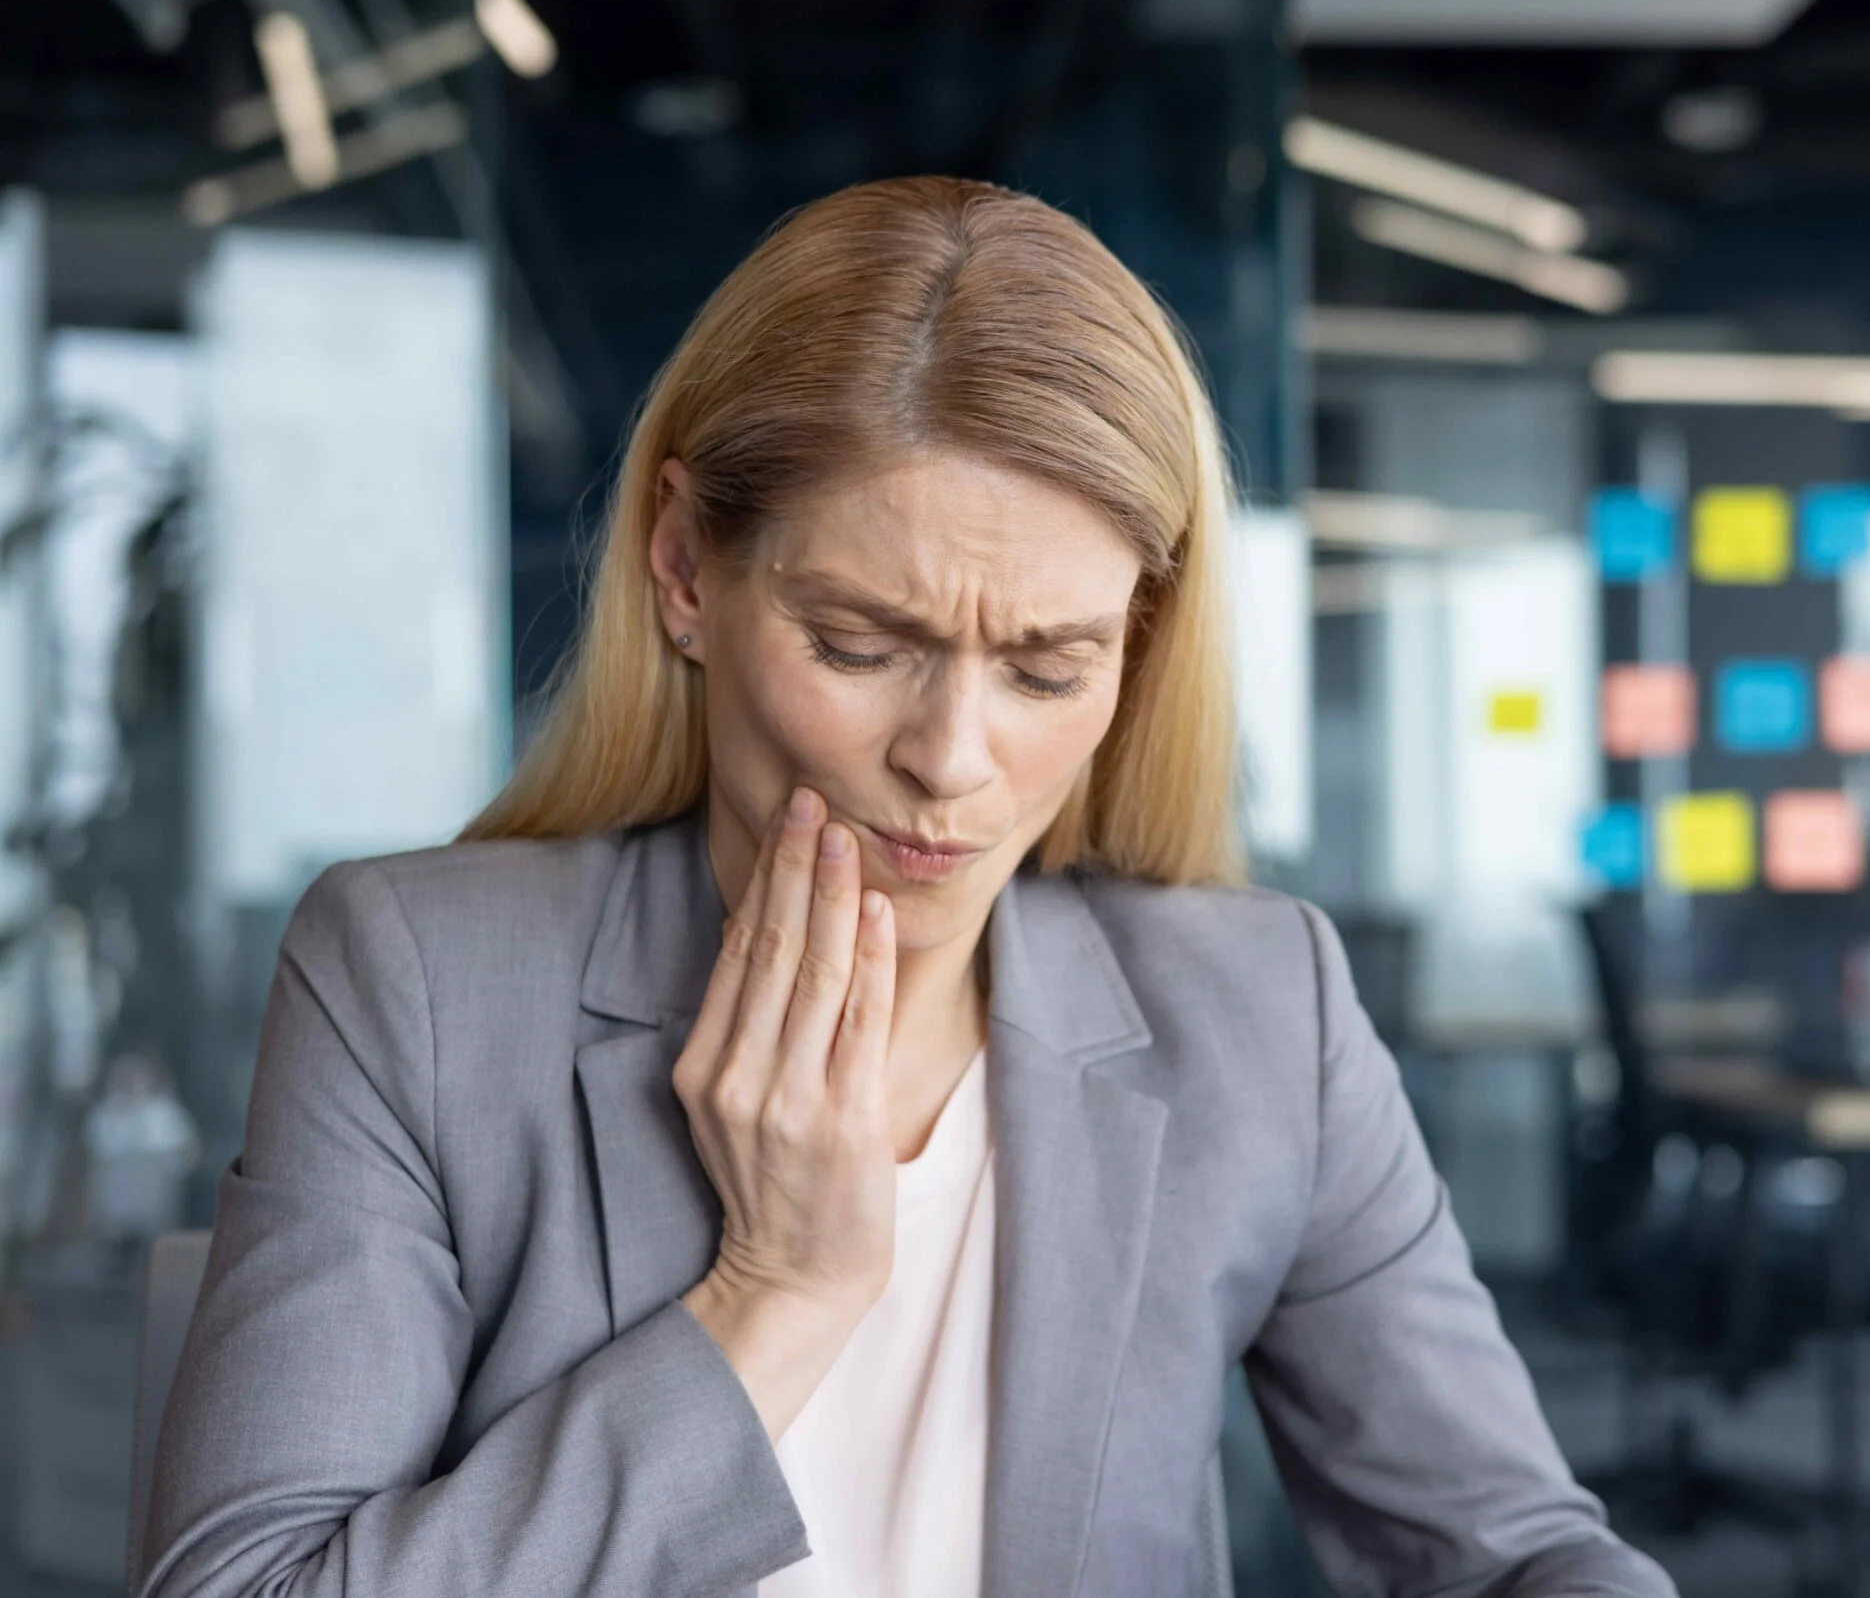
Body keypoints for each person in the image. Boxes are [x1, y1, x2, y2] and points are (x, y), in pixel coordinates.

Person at [136, 176, 1674, 1598]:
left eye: (1049, 667)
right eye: (861, 648)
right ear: (684, 568)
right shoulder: (415, 982)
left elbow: (1517, 1549)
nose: (953, 759)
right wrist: (772, 1299)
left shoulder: (1265, 1016)